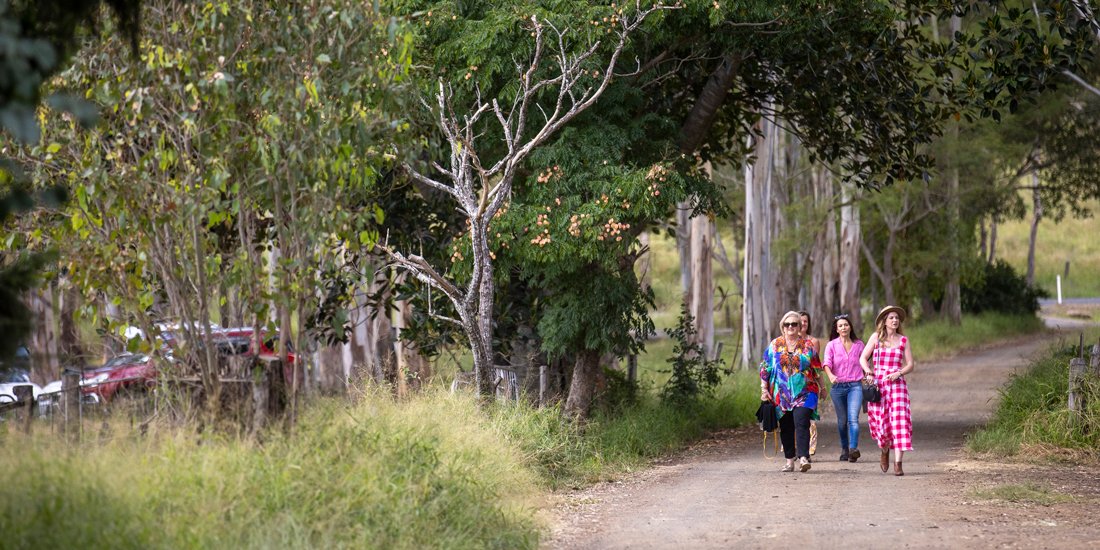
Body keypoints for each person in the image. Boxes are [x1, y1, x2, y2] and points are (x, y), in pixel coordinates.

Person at [760, 311, 821, 473]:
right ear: (783, 327)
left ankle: (802, 457)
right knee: (786, 426)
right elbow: (765, 368)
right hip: (781, 394)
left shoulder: (807, 346)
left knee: (802, 422)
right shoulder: (775, 345)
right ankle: (789, 461)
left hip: (805, 392)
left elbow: (816, 368)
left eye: (795, 324)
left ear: (800, 326)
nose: (791, 327)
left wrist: (822, 387)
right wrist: (763, 389)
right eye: (788, 324)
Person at [859, 305, 915, 476]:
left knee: (900, 423)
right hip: (879, 386)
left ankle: (898, 463)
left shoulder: (903, 340)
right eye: (891, 318)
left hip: (897, 386)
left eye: (897, 318)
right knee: (881, 426)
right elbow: (862, 357)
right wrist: (868, 372)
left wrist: (898, 373)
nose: (895, 320)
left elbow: (911, 365)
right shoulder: (876, 338)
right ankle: (884, 450)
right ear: (884, 321)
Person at [822, 313, 866, 462]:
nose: (844, 327)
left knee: (853, 418)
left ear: (850, 326)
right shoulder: (831, 345)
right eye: (840, 325)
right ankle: (844, 448)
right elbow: (826, 363)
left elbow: (865, 362)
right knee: (842, 421)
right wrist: (830, 376)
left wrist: (869, 374)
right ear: (837, 328)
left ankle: (853, 449)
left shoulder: (859, 345)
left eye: (846, 324)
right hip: (838, 387)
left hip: (855, 386)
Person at [799, 311, 822, 457]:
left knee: (808, 419)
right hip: (791, 388)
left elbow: (815, 366)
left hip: (809, 386)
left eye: (805, 321)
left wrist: (822, 386)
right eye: (799, 321)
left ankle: (809, 448)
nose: (802, 324)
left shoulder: (813, 342)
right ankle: (795, 448)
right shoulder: (784, 342)